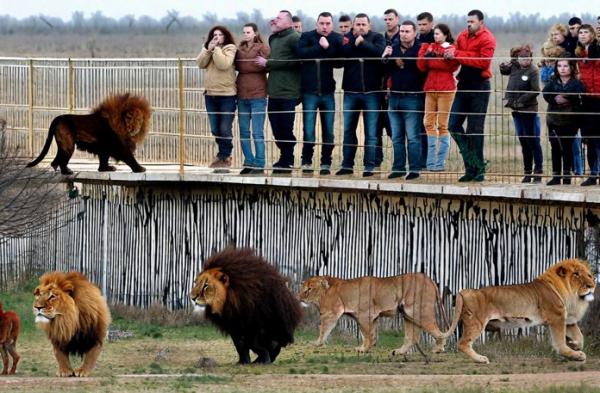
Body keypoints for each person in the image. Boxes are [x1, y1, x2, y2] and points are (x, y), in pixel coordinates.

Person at [445, 9, 496, 182]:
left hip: (480, 87)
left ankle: (478, 170)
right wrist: (449, 54)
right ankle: (471, 163)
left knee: (475, 130)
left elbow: (483, 62)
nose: (469, 24)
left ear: (481, 22)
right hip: (463, 84)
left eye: (472, 21)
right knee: (453, 125)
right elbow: (457, 53)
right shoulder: (462, 36)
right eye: (467, 21)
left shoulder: (487, 38)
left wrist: (458, 55)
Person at [336, 13, 386, 177]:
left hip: (372, 93)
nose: (360, 27)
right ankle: (347, 165)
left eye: (364, 24)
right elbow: (341, 56)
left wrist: (363, 43)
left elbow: (379, 54)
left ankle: (369, 166)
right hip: (351, 92)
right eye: (357, 24)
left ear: (369, 25)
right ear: (353, 26)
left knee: (371, 133)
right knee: (349, 131)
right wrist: (354, 42)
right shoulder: (347, 39)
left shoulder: (377, 38)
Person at [297, 12, 343, 175]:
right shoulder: (307, 36)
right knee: (308, 129)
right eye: (322, 23)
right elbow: (301, 54)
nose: (324, 26)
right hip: (309, 92)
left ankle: (326, 162)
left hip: (328, 92)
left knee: (329, 130)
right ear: (317, 24)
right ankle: (307, 161)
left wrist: (327, 48)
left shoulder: (336, 39)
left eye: (328, 23)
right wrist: (319, 47)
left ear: (332, 24)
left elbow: (339, 62)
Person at [256, 11, 301, 174]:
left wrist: (269, 62)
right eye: (274, 18)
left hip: (288, 92)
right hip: (273, 91)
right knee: (276, 128)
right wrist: (267, 64)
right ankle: (284, 157)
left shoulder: (295, 38)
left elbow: (297, 61)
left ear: (289, 22)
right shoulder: (273, 38)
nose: (274, 19)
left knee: (285, 128)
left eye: (279, 18)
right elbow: (274, 62)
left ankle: (288, 159)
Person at [384, 20, 426, 180]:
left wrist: (402, 60)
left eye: (407, 31)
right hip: (394, 97)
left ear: (415, 33)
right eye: (401, 31)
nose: (403, 34)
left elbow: (421, 68)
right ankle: (398, 168)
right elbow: (385, 71)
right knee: (396, 136)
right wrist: (387, 59)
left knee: (413, 136)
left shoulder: (420, 49)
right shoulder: (392, 49)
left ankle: (415, 169)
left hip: (413, 98)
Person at [417, 23, 459, 172]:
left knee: (442, 125)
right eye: (434, 34)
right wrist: (425, 54)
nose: (435, 36)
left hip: (446, 90)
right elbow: (421, 66)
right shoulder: (428, 47)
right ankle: (430, 162)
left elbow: (451, 67)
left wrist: (436, 57)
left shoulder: (451, 48)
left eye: (438, 34)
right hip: (430, 89)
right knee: (428, 123)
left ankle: (439, 162)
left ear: (445, 35)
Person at [499, 44, 543, 183]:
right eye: (521, 58)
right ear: (517, 59)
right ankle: (527, 171)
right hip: (515, 109)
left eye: (527, 58)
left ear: (531, 58)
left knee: (532, 140)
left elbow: (535, 90)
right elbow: (504, 71)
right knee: (523, 141)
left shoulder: (533, 70)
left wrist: (521, 100)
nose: (525, 61)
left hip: (528, 109)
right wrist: (503, 65)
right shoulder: (515, 67)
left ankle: (538, 170)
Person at [196, 25, 237, 172]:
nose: (216, 38)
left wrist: (217, 49)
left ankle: (225, 155)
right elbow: (200, 63)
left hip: (227, 95)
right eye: (214, 35)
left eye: (219, 35)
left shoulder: (230, 48)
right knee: (215, 128)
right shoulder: (210, 48)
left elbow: (223, 64)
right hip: (210, 95)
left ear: (225, 37)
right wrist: (208, 49)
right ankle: (222, 155)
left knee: (224, 128)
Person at [542, 57, 585, 185]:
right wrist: (554, 99)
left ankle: (567, 176)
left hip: (570, 120)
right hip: (553, 119)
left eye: (565, 66)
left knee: (567, 147)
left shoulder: (576, 83)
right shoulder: (553, 81)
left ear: (571, 68)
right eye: (559, 66)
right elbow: (545, 94)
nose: (562, 68)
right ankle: (556, 176)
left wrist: (568, 99)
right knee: (555, 147)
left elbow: (580, 100)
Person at [235, 23, 270, 175]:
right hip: (242, 94)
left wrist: (250, 66)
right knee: (243, 131)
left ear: (255, 33)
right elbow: (238, 66)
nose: (246, 35)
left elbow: (266, 65)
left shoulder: (263, 48)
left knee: (257, 131)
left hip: (258, 94)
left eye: (248, 32)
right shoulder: (239, 49)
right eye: (244, 32)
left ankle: (260, 163)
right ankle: (248, 161)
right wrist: (251, 65)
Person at [575, 24, 600, 186]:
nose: (582, 35)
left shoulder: (597, 49)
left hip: (599, 95)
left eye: (586, 32)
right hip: (587, 98)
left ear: (592, 34)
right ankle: (593, 174)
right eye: (580, 33)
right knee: (590, 138)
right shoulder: (578, 52)